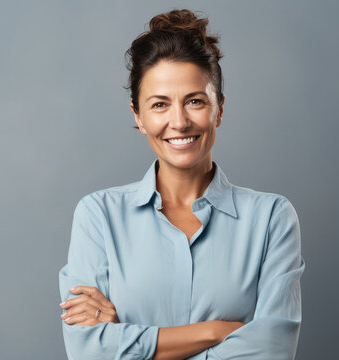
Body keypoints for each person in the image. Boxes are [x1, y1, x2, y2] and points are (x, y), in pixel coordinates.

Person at [57, 8, 305, 360]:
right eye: (159, 104)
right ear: (138, 117)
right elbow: (89, 353)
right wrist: (214, 331)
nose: (179, 121)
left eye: (195, 101)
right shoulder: (97, 216)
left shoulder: (271, 219)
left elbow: (272, 351)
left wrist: (127, 342)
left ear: (218, 109)